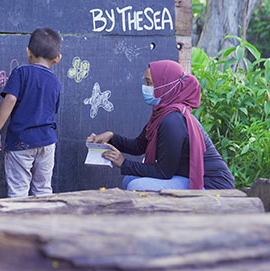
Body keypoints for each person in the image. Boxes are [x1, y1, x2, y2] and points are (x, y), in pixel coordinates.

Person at [87, 60, 235, 191]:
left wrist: (123, 163)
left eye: (150, 83)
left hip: (212, 186)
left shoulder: (173, 120)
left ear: (166, 86)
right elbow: (139, 146)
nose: (145, 87)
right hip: (186, 177)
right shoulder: (163, 113)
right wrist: (111, 137)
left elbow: (164, 172)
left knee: (136, 186)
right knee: (129, 180)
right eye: (145, 82)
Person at [0, 27, 62, 198]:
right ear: (57, 59)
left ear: (28, 52)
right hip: (47, 142)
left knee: (18, 192)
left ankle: (19, 224)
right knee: (43, 190)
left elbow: (10, 99)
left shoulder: (21, 73)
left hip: (21, 142)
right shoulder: (56, 81)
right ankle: (43, 224)